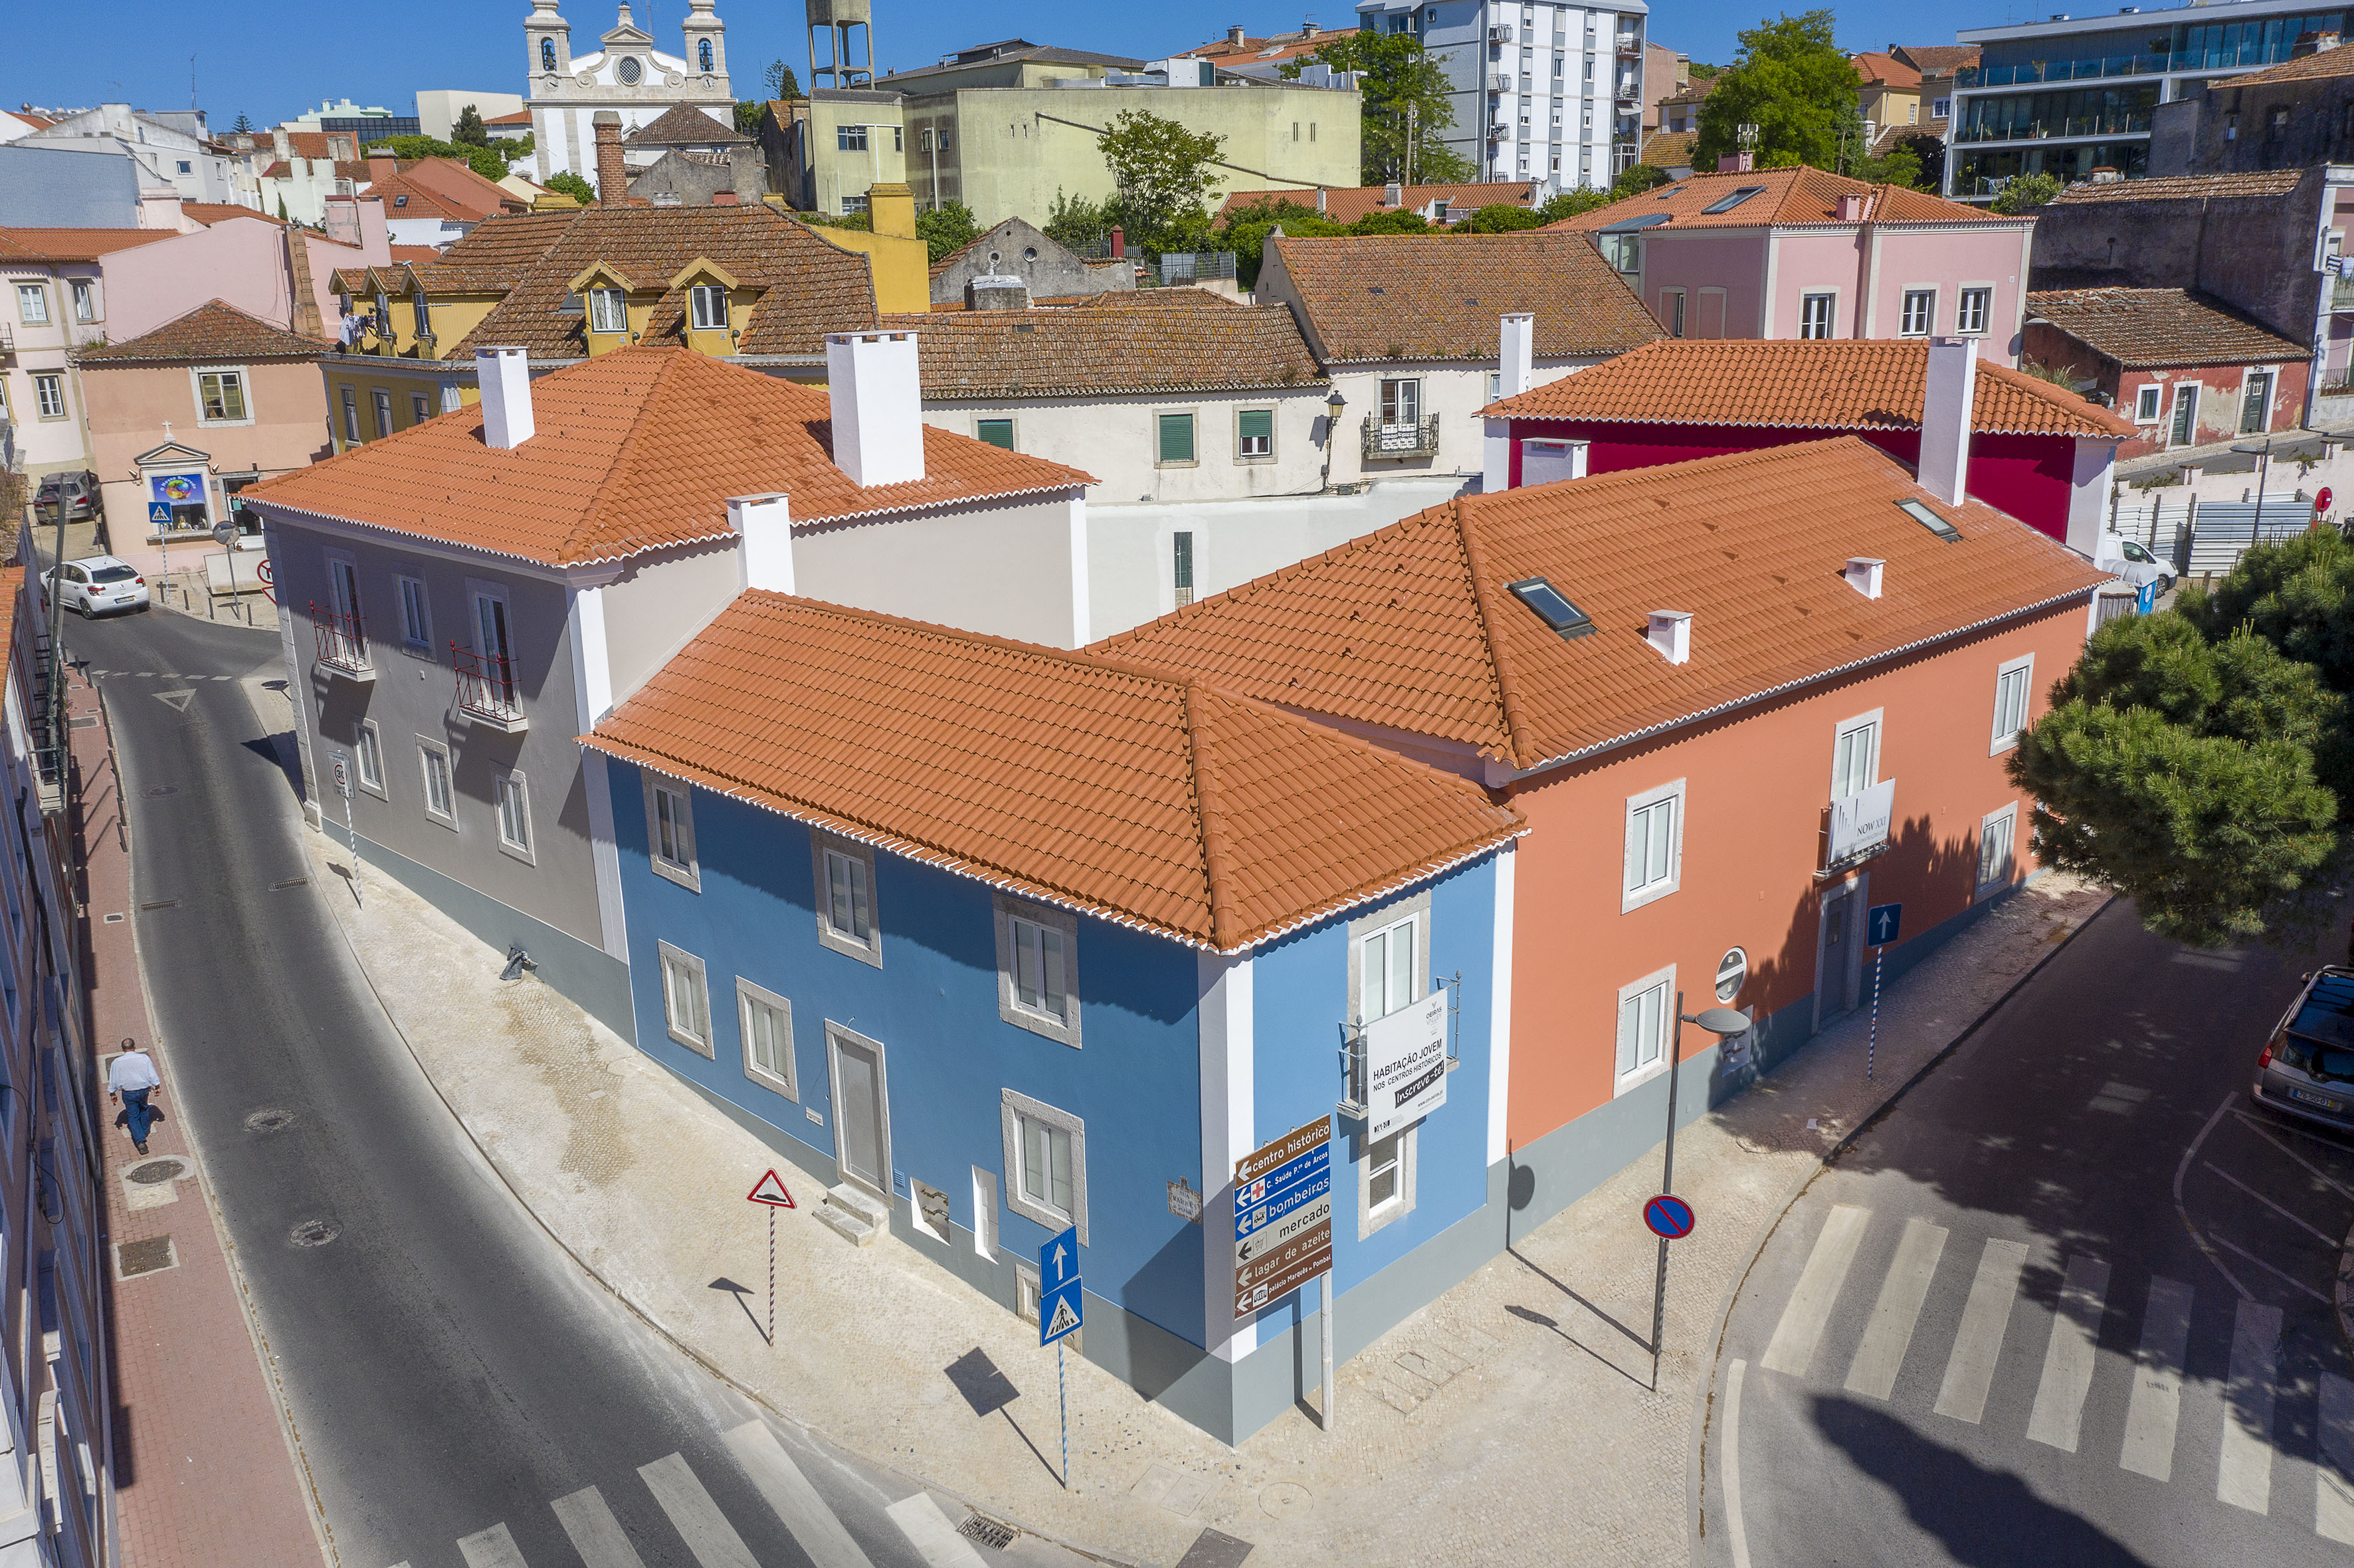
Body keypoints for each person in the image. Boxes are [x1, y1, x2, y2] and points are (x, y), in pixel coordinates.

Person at [107, 1038, 162, 1155]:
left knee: (133, 1116)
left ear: (123, 1049)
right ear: (135, 1046)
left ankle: (140, 1141)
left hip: (128, 1093)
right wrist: (157, 1086)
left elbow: (114, 1080)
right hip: (143, 1091)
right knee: (144, 1109)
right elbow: (152, 1074)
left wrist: (113, 1093)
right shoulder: (144, 1058)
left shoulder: (117, 1062)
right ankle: (144, 1131)